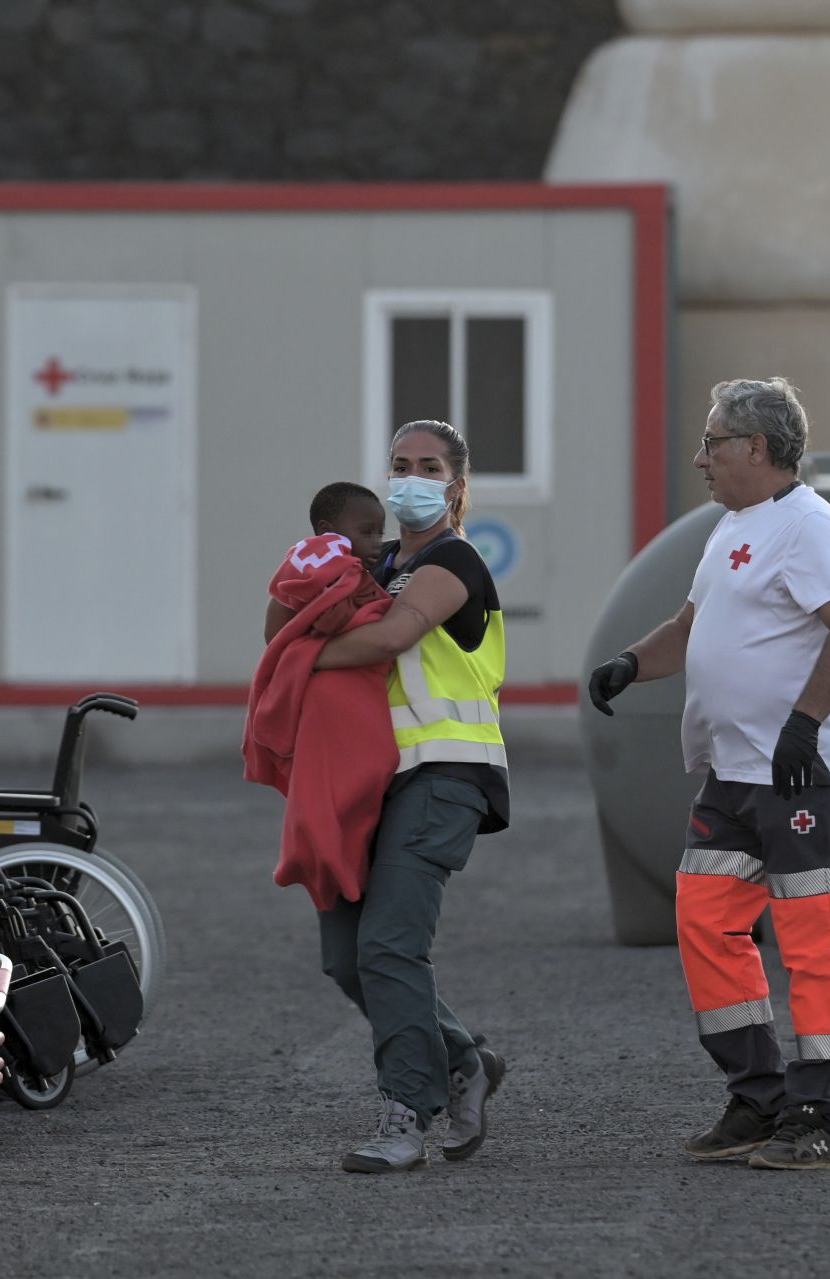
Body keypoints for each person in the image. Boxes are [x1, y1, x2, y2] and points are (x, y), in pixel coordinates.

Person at [587, 377, 830, 1171]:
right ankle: (758, 1095)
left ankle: (816, 1115)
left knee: (815, 945)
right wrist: (629, 663)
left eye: (712, 442)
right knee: (706, 921)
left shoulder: (810, 525)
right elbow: (691, 628)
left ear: (755, 447)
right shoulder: (733, 528)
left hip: (798, 776)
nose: (700, 458)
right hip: (731, 774)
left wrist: (804, 726)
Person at [311, 421, 510, 1173]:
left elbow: (393, 637)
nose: (410, 477)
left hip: (444, 772)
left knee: (391, 944)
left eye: (428, 466)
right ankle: (465, 1060)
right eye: (399, 464)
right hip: (365, 780)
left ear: (456, 486)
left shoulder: (454, 560)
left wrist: (302, 658)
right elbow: (288, 612)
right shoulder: (375, 560)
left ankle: (407, 1112)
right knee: (346, 958)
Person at [263, 482, 388, 643]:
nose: (376, 542)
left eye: (380, 534)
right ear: (327, 531)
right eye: (366, 533)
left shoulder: (362, 574)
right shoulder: (312, 570)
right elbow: (275, 636)